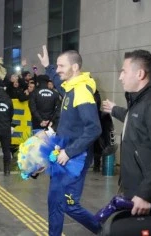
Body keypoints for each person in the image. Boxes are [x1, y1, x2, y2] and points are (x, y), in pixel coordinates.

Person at [37, 45, 102, 235]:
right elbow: (58, 81)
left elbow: (94, 128)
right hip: (63, 154)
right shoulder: (71, 88)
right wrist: (48, 66)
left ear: (74, 68)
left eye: (61, 66)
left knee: (68, 203)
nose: (58, 71)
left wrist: (69, 152)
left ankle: (102, 229)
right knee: (54, 201)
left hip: (74, 156)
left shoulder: (82, 91)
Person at [102, 49, 151, 216]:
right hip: (134, 187)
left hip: (147, 194)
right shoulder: (139, 100)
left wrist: (145, 193)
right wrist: (115, 110)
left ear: (139, 74)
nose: (120, 77)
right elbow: (136, 120)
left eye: (124, 71)